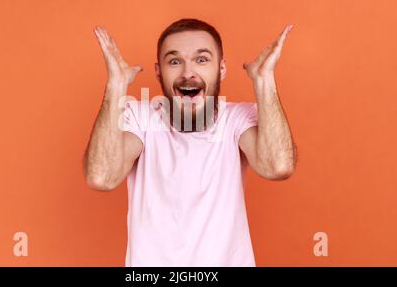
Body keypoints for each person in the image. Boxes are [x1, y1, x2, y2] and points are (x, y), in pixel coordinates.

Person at [83, 18, 297, 266]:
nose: (188, 72)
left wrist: (264, 79)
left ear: (221, 69)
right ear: (158, 71)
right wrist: (116, 85)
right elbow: (101, 176)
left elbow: (278, 166)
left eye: (202, 59)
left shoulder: (236, 120)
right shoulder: (140, 118)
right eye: (174, 61)